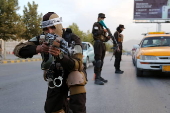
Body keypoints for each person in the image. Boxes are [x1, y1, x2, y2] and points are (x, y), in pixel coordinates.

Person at [13, 12, 87, 113]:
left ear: (58, 26)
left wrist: (60, 56)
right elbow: (18, 49)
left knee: (76, 78)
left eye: (52, 28)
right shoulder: (42, 38)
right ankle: (65, 104)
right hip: (56, 75)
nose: (50, 32)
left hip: (72, 72)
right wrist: (38, 48)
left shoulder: (72, 39)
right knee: (52, 109)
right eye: (46, 29)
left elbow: (77, 64)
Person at [92, 13, 110, 85]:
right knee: (98, 61)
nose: (102, 19)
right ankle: (96, 78)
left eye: (103, 18)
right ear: (98, 18)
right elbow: (95, 33)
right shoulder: (96, 24)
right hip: (98, 44)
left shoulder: (102, 27)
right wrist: (103, 31)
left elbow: (104, 39)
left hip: (102, 44)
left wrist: (108, 37)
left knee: (101, 61)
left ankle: (99, 76)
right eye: (101, 18)